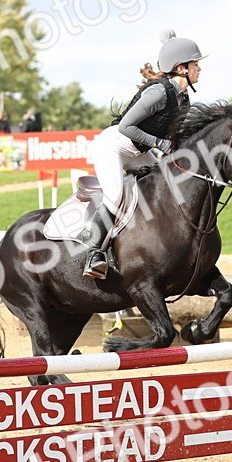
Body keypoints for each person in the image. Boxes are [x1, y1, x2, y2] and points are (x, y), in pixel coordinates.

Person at [81, 28, 204, 279]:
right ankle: (93, 253)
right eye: (195, 64)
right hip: (114, 147)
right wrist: (159, 142)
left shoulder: (183, 100)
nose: (199, 69)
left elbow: (172, 139)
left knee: (165, 186)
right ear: (181, 68)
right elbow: (126, 126)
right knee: (115, 197)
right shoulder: (158, 92)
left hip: (140, 151)